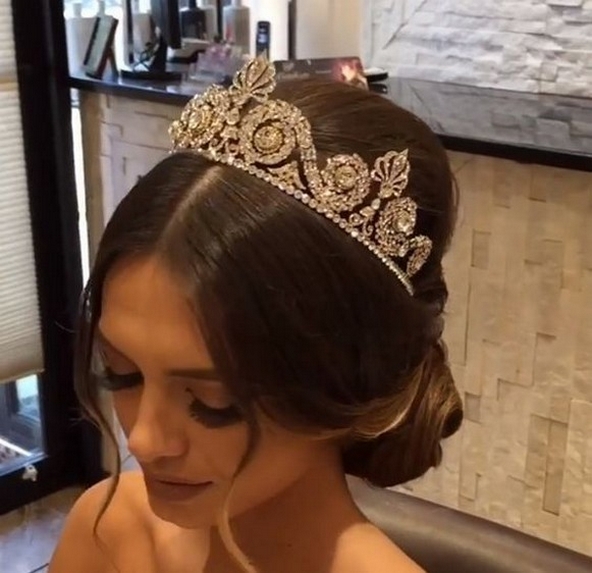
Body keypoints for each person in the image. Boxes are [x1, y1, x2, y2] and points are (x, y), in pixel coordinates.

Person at [49, 58, 462, 573]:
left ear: (351, 381)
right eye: (122, 374)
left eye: (213, 401)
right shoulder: (109, 529)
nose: (143, 440)